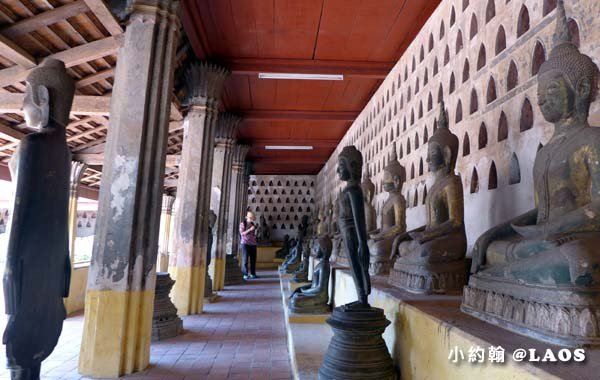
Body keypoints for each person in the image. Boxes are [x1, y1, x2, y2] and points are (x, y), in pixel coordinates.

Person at [240, 211, 258, 279]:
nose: (252, 220)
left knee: (253, 260)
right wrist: (250, 229)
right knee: (245, 260)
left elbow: (253, 234)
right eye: (251, 218)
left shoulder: (252, 224)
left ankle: (253, 273)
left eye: (252, 218)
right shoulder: (243, 224)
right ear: (247, 218)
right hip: (245, 243)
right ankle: (245, 274)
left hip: (253, 244)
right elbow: (242, 234)